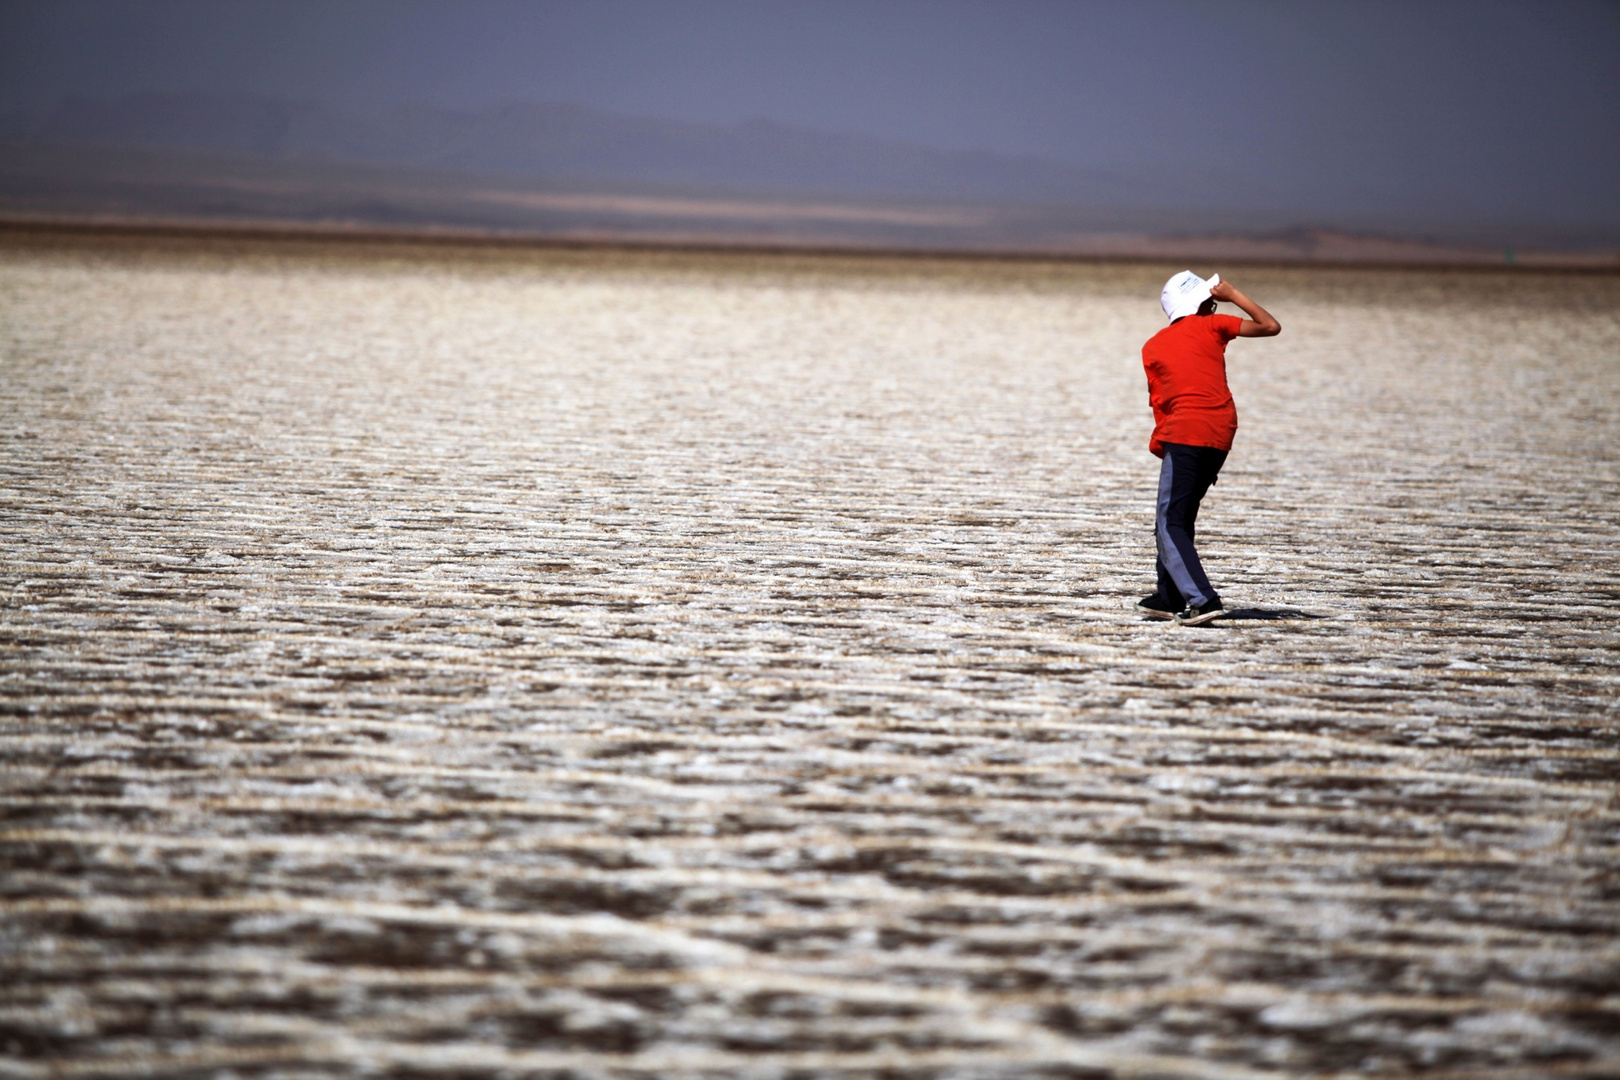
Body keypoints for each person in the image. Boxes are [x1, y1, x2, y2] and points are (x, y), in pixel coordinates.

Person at [1136, 271, 1280, 625]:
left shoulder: (1153, 345)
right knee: (1177, 519)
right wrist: (1235, 295)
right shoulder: (1214, 325)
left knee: (1171, 521)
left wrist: (1164, 442)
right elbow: (1269, 325)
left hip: (1185, 433)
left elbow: (1161, 401)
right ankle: (1170, 596)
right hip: (1220, 432)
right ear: (1201, 303)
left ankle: (1202, 599)